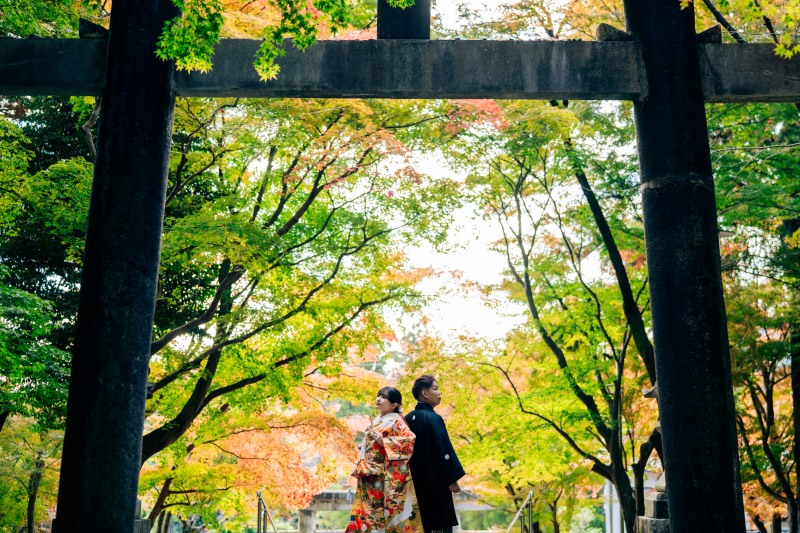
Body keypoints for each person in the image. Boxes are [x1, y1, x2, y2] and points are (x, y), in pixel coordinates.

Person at [346, 387, 420, 533]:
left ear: (394, 405)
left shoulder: (396, 420)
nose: (378, 399)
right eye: (378, 395)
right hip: (368, 473)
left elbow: (409, 441)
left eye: (384, 397)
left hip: (380, 475)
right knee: (367, 513)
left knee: (375, 514)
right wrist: (358, 464)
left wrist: (384, 441)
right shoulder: (379, 420)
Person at [404, 375, 465, 533]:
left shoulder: (407, 419)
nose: (439, 393)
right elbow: (444, 449)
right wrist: (452, 479)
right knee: (440, 524)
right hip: (435, 485)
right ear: (425, 393)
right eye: (436, 389)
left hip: (413, 486)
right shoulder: (434, 418)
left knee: (420, 525)